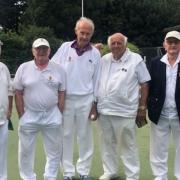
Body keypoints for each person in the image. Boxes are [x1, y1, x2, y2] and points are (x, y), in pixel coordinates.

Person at [96, 33, 151, 180]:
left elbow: (144, 83)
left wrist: (142, 107)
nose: (115, 46)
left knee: (128, 146)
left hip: (126, 111)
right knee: (107, 144)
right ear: (109, 45)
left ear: (125, 45)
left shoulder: (135, 59)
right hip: (105, 110)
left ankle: (132, 175)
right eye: (113, 43)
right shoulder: (104, 59)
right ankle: (110, 171)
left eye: (119, 43)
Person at [51, 17, 101, 180]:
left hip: (86, 100)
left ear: (91, 34)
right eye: (82, 32)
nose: (85, 36)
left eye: (88, 33)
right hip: (66, 99)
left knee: (84, 136)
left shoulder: (95, 53)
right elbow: (53, 69)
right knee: (65, 135)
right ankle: (67, 172)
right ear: (76, 31)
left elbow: (97, 80)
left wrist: (94, 104)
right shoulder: (65, 48)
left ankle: (84, 171)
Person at [13, 38, 66, 180]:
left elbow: (62, 92)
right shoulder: (23, 68)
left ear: (49, 51)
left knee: (54, 151)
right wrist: (21, 114)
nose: (41, 51)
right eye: (38, 49)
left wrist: (59, 112)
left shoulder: (59, 69)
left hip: (52, 115)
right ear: (33, 51)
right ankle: (28, 177)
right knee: (25, 151)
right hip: (30, 115)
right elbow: (18, 91)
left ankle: (50, 177)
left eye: (44, 49)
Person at [148, 31, 180, 180]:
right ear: (164, 45)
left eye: (176, 42)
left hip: (178, 114)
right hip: (159, 113)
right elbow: (148, 85)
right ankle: (160, 176)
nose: (173, 44)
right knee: (158, 148)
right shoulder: (155, 62)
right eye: (170, 41)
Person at [0, 40, 13, 180]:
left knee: (1, 153)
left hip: (2, 119)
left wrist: (9, 109)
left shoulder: (4, 68)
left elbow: (10, 91)